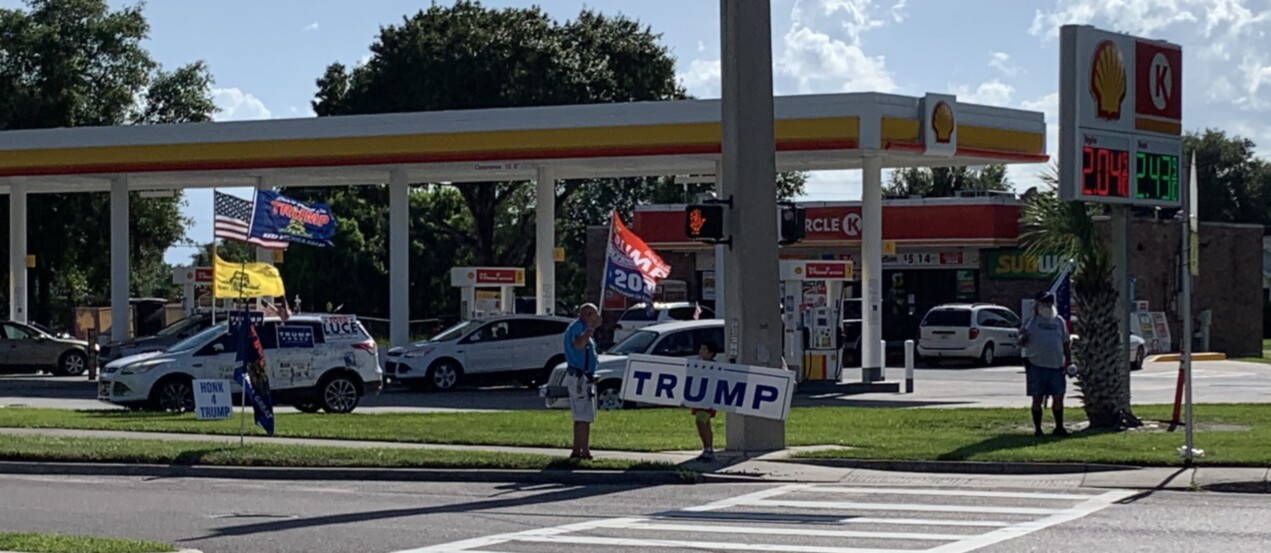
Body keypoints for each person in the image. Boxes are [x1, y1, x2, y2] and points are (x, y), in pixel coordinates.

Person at [1019, 291, 1072, 437]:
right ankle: (1038, 429)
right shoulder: (1030, 322)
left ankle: (1059, 427)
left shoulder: (1059, 321)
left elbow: (1066, 342)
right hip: (1036, 364)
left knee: (1058, 397)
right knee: (1037, 398)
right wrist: (1023, 336)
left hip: (1056, 366)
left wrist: (1068, 361)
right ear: (1037, 305)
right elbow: (1021, 343)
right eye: (1044, 303)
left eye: (1050, 303)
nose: (1047, 306)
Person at [563, 303, 602, 459]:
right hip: (579, 378)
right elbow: (578, 345)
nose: (592, 317)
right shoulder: (579, 328)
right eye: (589, 314)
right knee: (583, 416)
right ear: (582, 314)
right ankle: (583, 452)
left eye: (594, 314)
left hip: (584, 377)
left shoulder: (582, 328)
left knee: (582, 416)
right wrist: (590, 329)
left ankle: (577, 449)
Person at [691, 341, 721, 461]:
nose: (700, 351)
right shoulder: (697, 365)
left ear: (711, 353)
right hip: (699, 399)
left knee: (701, 421)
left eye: (704, 349)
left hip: (708, 401)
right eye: (701, 348)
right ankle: (707, 449)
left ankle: (708, 449)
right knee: (703, 422)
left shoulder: (715, 367)